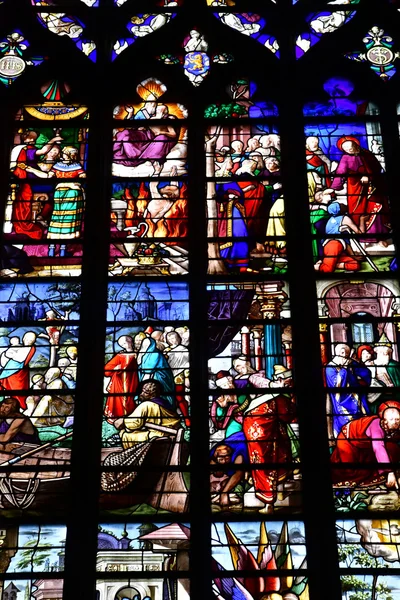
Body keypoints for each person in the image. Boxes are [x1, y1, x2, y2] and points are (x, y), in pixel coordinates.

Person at [242, 384, 296, 513]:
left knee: (263, 470)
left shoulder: (256, 405)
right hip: (266, 443)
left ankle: (269, 504)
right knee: (273, 467)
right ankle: (269, 504)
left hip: (256, 444)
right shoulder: (277, 399)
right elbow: (288, 415)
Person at [326, 136, 389, 239]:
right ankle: (363, 235)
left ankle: (378, 236)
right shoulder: (345, 158)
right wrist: (333, 188)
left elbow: (377, 169)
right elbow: (340, 173)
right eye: (345, 148)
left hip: (372, 186)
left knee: (374, 207)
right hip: (355, 187)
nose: (348, 150)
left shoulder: (367, 154)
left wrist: (369, 176)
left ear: (355, 144)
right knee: (357, 211)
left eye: (349, 147)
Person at [331, 401, 400, 488]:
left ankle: (379, 473)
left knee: (393, 448)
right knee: (349, 472)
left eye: (397, 420)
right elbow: (378, 448)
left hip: (363, 444)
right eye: (391, 419)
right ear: (384, 420)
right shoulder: (376, 427)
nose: (395, 422)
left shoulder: (393, 427)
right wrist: (389, 472)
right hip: (346, 440)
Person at [113, 380, 180, 448]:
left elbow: (134, 423)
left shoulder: (147, 405)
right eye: (142, 391)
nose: (141, 394)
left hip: (157, 436)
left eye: (145, 392)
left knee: (125, 434)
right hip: (168, 434)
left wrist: (123, 421)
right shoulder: (166, 404)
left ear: (152, 395)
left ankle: (134, 457)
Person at [325, 343, 372, 437]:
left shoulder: (350, 362)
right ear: (337, 353)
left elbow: (366, 372)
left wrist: (359, 374)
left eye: (346, 353)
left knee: (363, 420)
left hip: (357, 396)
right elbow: (336, 385)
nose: (344, 355)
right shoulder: (330, 367)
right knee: (345, 422)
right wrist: (344, 369)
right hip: (341, 400)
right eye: (342, 352)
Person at [314, 202, 362, 272]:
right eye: (340, 205)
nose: (343, 205)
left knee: (355, 265)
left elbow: (346, 242)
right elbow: (359, 232)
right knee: (328, 270)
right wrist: (362, 220)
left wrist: (353, 256)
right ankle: (316, 267)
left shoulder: (331, 220)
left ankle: (333, 264)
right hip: (333, 245)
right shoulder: (344, 218)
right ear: (339, 209)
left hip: (339, 248)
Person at [104, 335, 139, 419]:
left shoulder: (138, 353)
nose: (124, 344)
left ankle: (131, 415)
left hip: (133, 379)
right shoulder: (120, 355)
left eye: (126, 342)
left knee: (131, 397)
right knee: (119, 398)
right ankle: (119, 416)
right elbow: (107, 369)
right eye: (122, 343)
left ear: (130, 341)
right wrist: (115, 368)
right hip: (119, 381)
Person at [0, 332, 37, 409]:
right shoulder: (21, 347)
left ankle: (20, 406)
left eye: (30, 340)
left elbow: (18, 359)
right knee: (8, 388)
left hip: (18, 373)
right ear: (23, 338)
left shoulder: (29, 349)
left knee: (18, 392)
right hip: (14, 372)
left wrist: (7, 355)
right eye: (26, 339)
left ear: (33, 342)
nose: (27, 341)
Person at [138, 336, 175, 406]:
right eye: (144, 345)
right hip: (148, 376)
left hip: (159, 377)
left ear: (151, 345)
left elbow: (149, 369)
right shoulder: (145, 354)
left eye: (147, 345)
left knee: (157, 393)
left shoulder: (155, 354)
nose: (145, 346)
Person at [210, 443, 245, 507]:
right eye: (221, 459)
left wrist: (224, 493)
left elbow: (239, 474)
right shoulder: (212, 455)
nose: (224, 462)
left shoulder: (239, 454)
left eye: (226, 459)